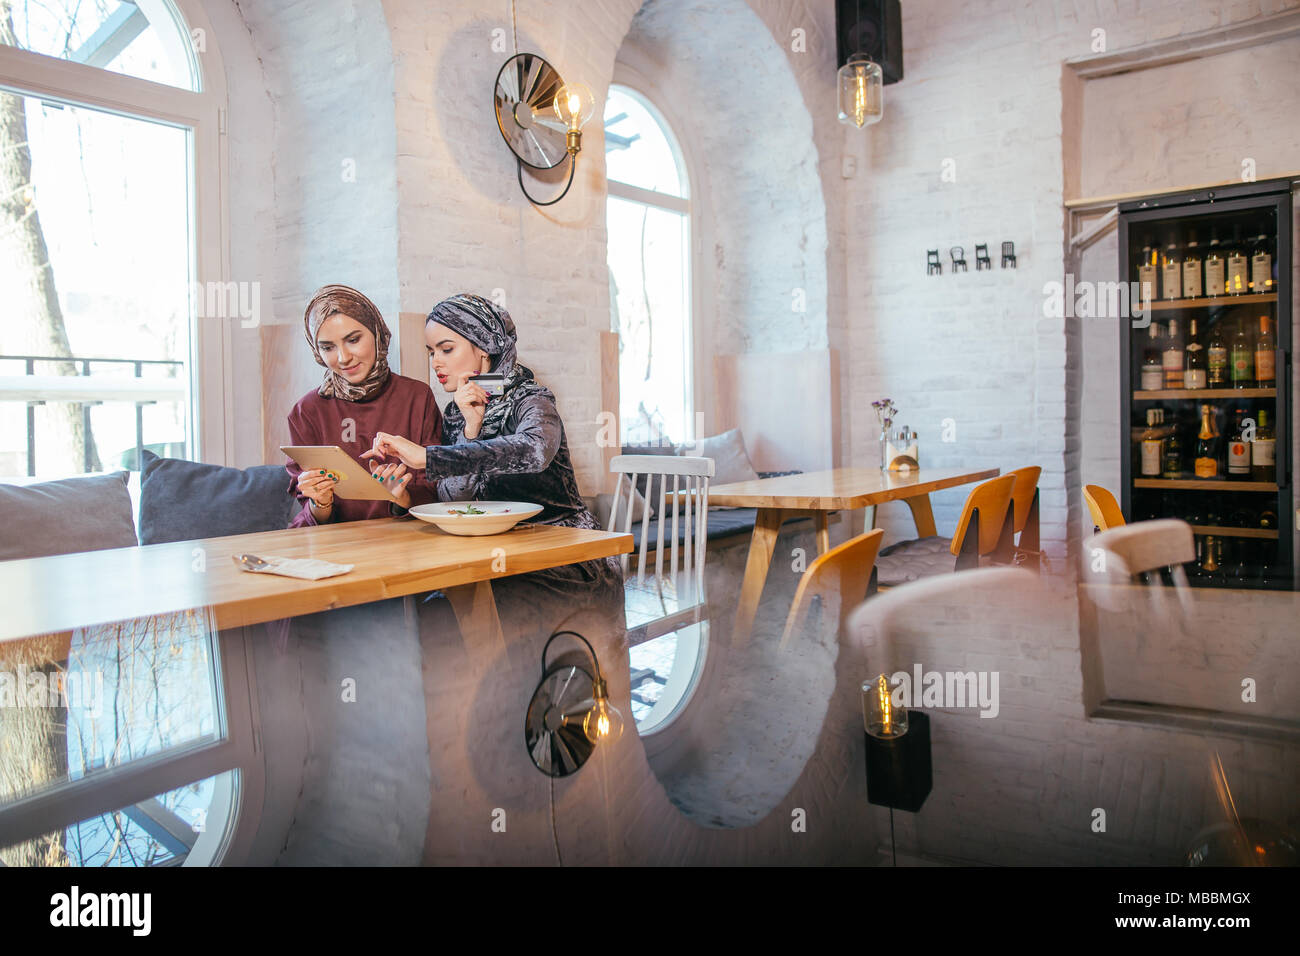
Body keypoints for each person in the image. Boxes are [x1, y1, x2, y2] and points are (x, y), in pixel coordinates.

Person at [362, 293, 624, 632]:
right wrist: (471, 430)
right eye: (431, 352)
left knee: (490, 608)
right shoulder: (456, 412)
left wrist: (428, 457)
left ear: (483, 348)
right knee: (431, 607)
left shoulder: (532, 400)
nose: (436, 363)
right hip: (494, 555)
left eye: (446, 349)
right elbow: (453, 500)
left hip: (563, 554)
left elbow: (535, 451)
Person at [286, 284, 442, 527]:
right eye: (327, 347)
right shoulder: (306, 411)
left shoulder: (417, 397)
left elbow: (434, 493)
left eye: (353, 340)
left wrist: (400, 497)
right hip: (333, 542)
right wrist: (321, 502)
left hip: (407, 537)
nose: (343, 358)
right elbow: (311, 515)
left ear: (377, 333)